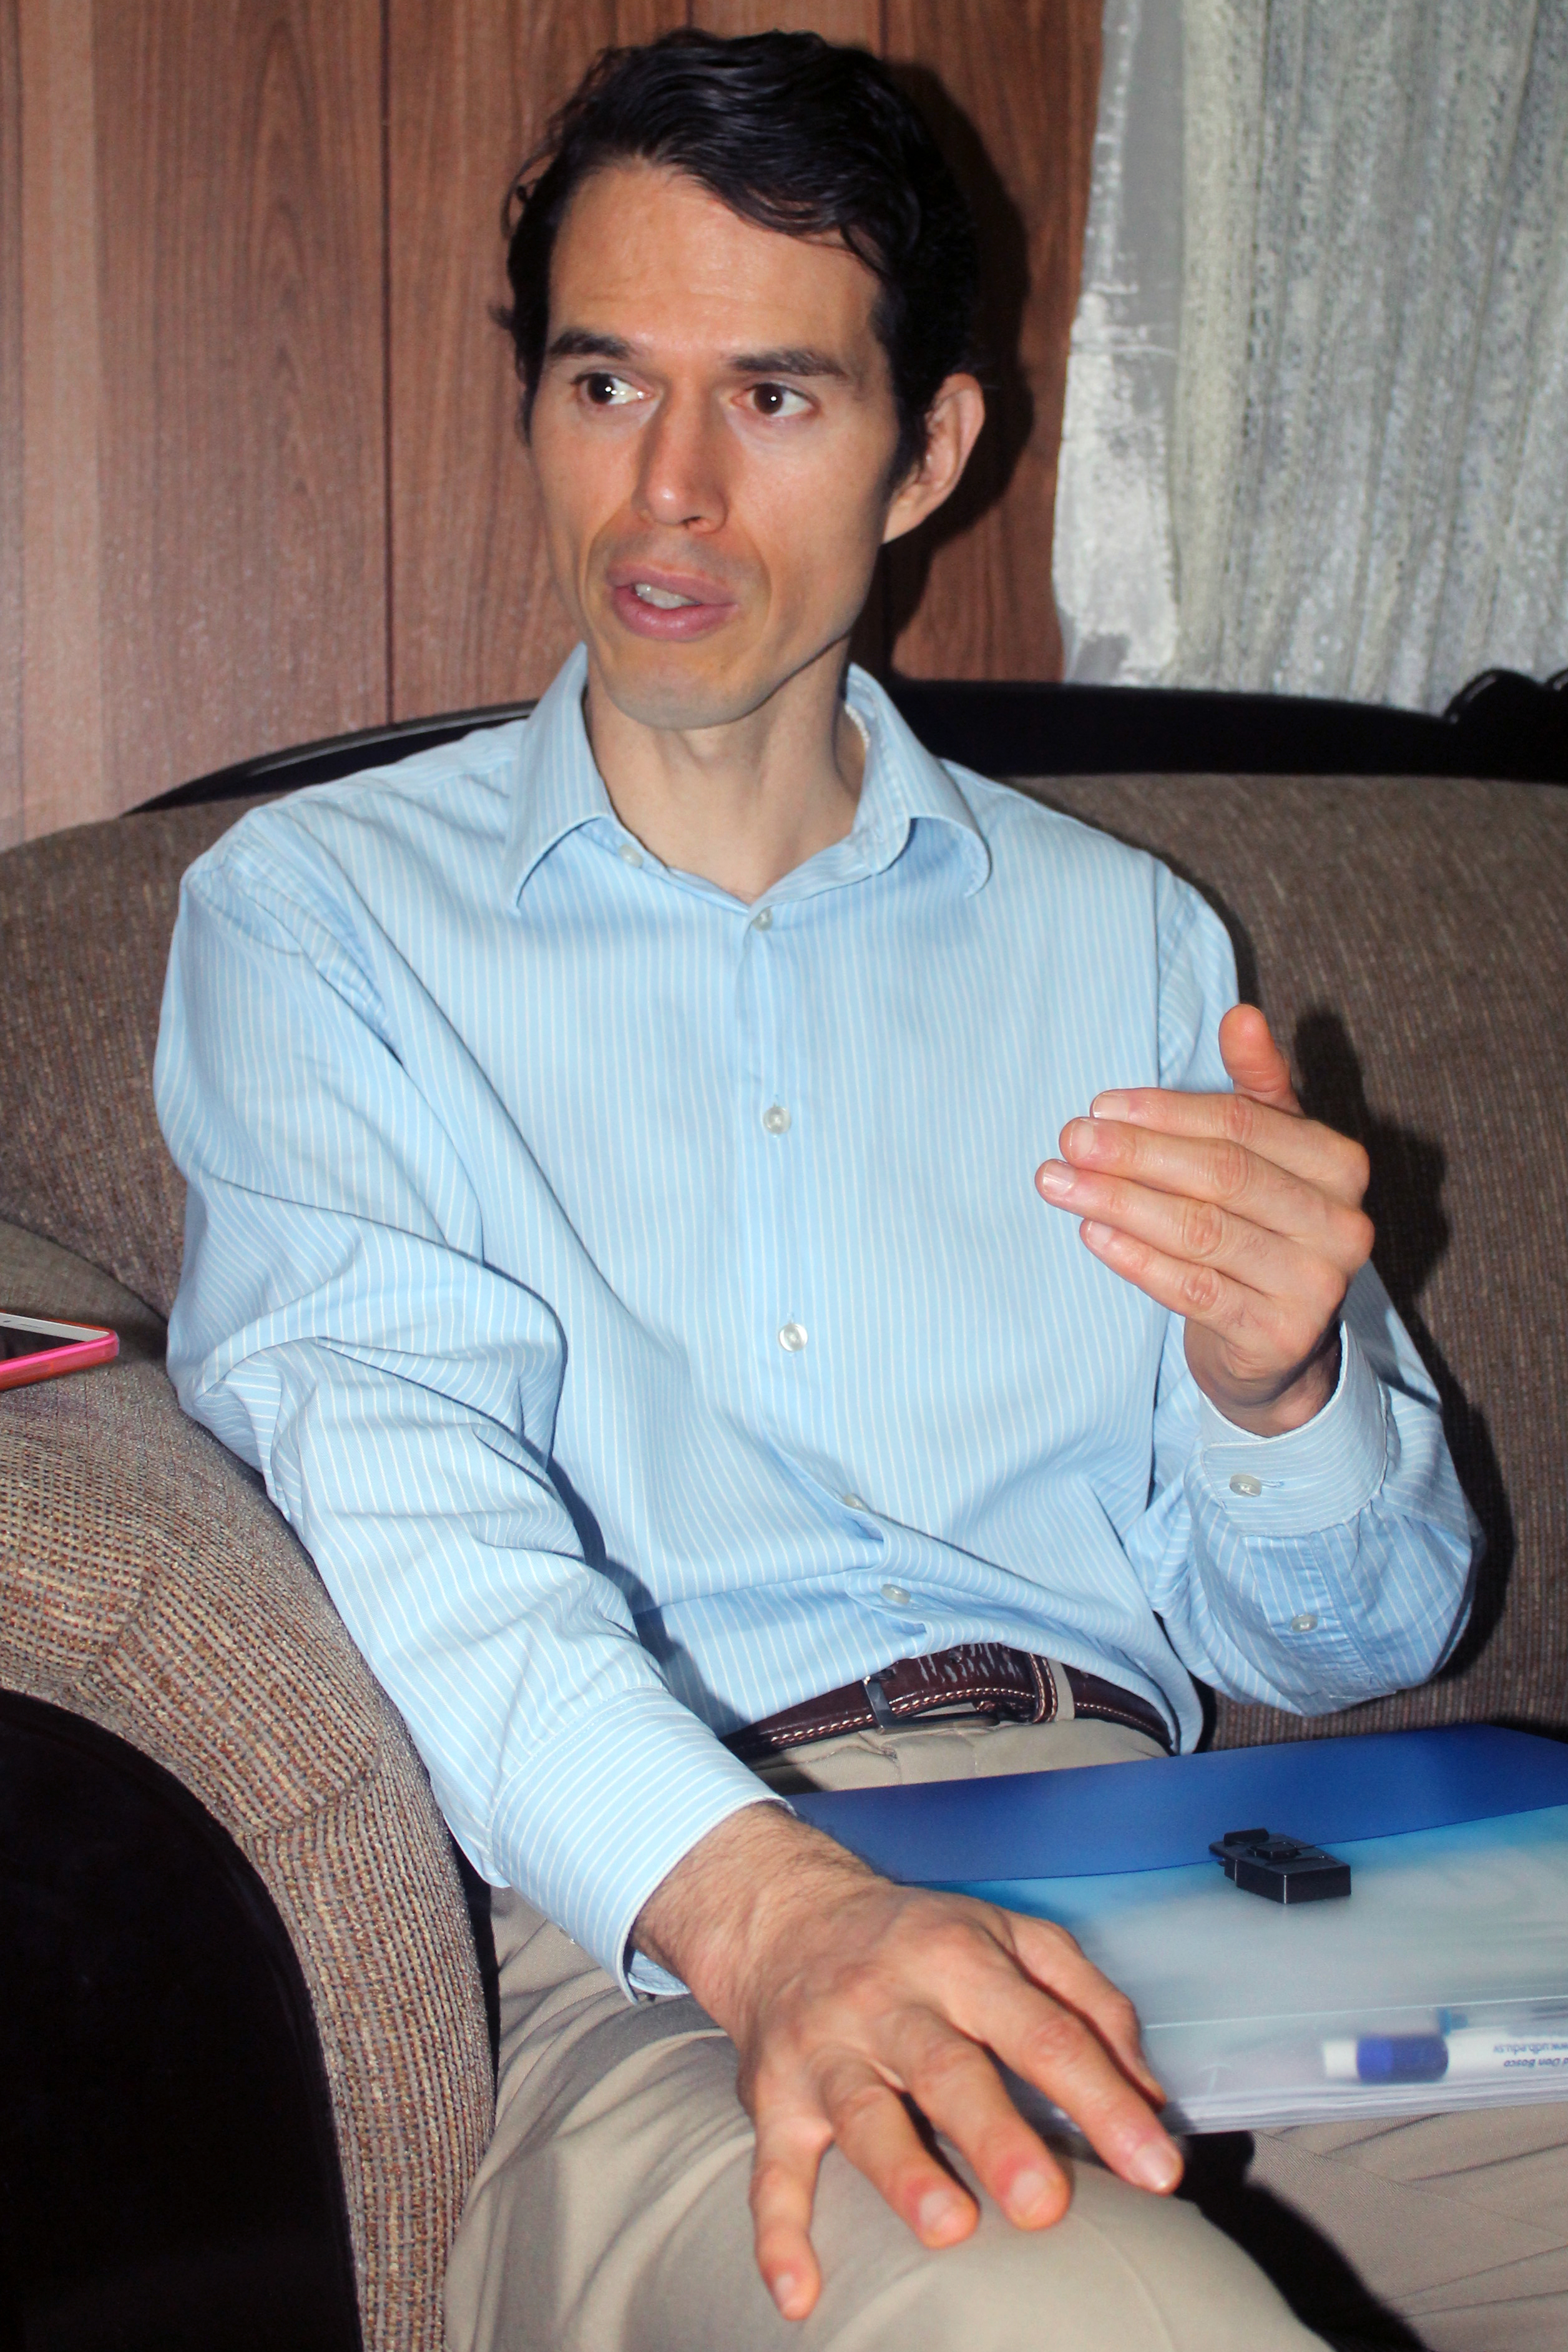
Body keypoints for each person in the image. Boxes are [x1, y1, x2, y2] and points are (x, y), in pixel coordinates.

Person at [154, 29, 1566, 2352]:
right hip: (667, 1934)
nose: (671, 491)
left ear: (931, 453)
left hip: (1183, 1887)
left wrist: (1283, 1391)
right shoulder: (321, 920)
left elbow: (1357, 1641)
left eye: (777, 397)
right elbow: (388, 1472)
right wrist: (769, 1907)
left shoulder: (1125, 939)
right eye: (607, 383)